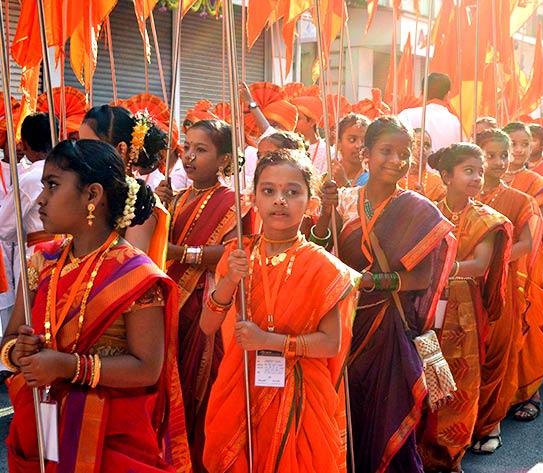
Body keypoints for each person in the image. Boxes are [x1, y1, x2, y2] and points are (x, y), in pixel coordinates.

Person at [2, 139, 190, 471]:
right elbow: (10, 341)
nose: (41, 198)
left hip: (110, 437)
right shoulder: (43, 261)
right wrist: (20, 352)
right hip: (41, 422)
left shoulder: (135, 274)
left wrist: (67, 366)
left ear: (92, 195)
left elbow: (148, 368)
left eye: (53, 185)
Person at [200, 149, 358, 472]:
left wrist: (270, 341)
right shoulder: (236, 253)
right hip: (241, 384)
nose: (279, 200)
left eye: (292, 192)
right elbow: (207, 325)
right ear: (253, 198)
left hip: (302, 395)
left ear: (310, 201)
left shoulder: (323, 267)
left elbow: (331, 343)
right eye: (268, 191)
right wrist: (230, 278)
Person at [314, 116, 455, 472]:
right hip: (343, 322)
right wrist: (325, 212)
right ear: (366, 154)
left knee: (387, 412)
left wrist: (373, 282)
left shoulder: (417, 208)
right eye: (386, 151)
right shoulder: (343, 200)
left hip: (388, 325)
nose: (396, 160)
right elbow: (319, 251)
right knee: (346, 411)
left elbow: (421, 277)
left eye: (404, 154)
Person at [155, 119, 253, 472]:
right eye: (186, 148)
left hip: (207, 307)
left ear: (224, 159)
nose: (189, 157)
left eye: (201, 150)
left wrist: (180, 253)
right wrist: (158, 209)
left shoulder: (234, 202)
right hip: (170, 307)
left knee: (199, 389)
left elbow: (229, 253)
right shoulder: (177, 198)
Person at [420, 143, 512, 473]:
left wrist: (444, 267)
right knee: (424, 373)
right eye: (468, 171)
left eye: (479, 172)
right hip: (426, 303)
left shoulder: (485, 220)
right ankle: (420, 450)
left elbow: (480, 264)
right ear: (446, 176)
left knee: (459, 379)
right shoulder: (426, 211)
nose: (476, 178)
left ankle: (450, 455)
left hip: (462, 309)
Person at [473, 128, 541, 453]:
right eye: (491, 155)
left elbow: (526, 242)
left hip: (501, 286)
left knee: (497, 354)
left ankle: (492, 426)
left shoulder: (519, 200)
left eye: (504, 154)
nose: (500, 161)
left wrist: (491, 262)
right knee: (469, 354)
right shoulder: (463, 197)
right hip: (465, 289)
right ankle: (465, 425)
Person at [501, 122, 543, 422]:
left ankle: (531, 393)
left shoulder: (538, 184)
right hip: (492, 264)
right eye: (513, 143)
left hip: (525, 263)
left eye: (525, 143)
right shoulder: (484, 181)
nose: (520, 149)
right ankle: (497, 399)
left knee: (528, 323)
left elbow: (542, 229)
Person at [79, 105, 171, 269]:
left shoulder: (141, 203)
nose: (81, 155)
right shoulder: (92, 194)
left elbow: (130, 273)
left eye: (90, 146)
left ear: (121, 149)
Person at [0, 113, 58, 253]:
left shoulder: (30, 179)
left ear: (25, 144)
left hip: (38, 253)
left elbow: (4, 227)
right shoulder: (69, 170)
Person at [398, 73, 462, 151]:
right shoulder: (455, 122)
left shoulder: (407, 115)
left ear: (421, 93)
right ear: (447, 95)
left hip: (415, 163)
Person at [404, 129, 447, 202]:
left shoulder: (438, 182)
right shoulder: (396, 175)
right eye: (418, 143)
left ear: (431, 152)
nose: (422, 149)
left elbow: (444, 211)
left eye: (427, 145)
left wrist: (425, 202)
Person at [291, 95, 331, 173]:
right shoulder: (287, 146)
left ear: (311, 122)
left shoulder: (327, 152)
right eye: (292, 118)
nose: (293, 122)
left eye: (298, 118)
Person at [331, 113, 371, 188]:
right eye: (352, 140)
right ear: (338, 143)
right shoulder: (330, 175)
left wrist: (344, 184)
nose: (359, 145)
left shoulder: (373, 179)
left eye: (364, 140)